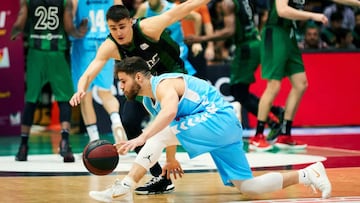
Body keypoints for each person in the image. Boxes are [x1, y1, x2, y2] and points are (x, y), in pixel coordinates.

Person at [75, 56, 331, 202]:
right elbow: (170, 127)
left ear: (138, 77)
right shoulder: (146, 99)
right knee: (248, 187)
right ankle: (308, 175)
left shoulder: (164, 85)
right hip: (222, 129)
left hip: (218, 119)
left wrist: (141, 137)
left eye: (122, 81)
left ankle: (124, 186)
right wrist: (170, 159)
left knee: (159, 133)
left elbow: (170, 114)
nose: (120, 86)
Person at [69, 0, 210, 195]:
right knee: (128, 122)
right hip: (142, 82)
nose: (119, 32)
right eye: (113, 28)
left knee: (169, 119)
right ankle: (160, 176)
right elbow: (90, 71)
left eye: (122, 27)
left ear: (130, 21)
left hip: (171, 76)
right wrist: (81, 89)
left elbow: (182, 10)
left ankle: (168, 169)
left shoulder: (147, 28)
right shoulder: (110, 45)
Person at [254, 0, 360, 150]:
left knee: (300, 84)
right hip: (275, 32)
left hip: (289, 34)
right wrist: (313, 16)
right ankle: (258, 136)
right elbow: (282, 10)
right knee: (274, 86)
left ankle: (285, 134)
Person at [185, 0, 284, 151]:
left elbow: (229, 31)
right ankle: (276, 112)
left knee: (239, 93)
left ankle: (274, 121)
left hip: (247, 48)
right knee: (238, 91)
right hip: (252, 43)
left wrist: (201, 39)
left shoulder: (227, 3)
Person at [11, 0, 88, 162]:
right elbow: (69, 28)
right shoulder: (64, 1)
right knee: (64, 100)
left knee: (31, 100)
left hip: (36, 54)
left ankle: (23, 147)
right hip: (57, 54)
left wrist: (15, 31)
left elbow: (20, 22)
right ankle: (65, 142)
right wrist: (79, 30)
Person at [70, 0, 125, 143]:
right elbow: (122, 14)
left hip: (83, 46)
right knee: (105, 92)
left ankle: (94, 139)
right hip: (106, 44)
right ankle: (116, 121)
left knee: (84, 95)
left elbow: (69, 18)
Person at [134, 0, 199, 76]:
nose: (150, 2)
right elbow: (133, 29)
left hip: (178, 51)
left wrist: (197, 42)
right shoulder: (144, 8)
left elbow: (197, 17)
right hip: (157, 55)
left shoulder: (172, 8)